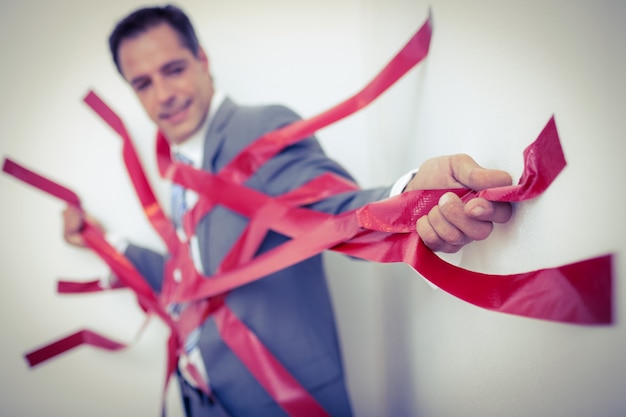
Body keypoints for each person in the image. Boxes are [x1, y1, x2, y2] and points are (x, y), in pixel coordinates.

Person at [63, 5, 512, 417]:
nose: (162, 95)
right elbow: (194, 282)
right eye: (143, 83)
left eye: (173, 70)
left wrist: (410, 199)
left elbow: (330, 212)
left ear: (202, 60)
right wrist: (107, 243)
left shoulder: (258, 131)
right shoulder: (181, 169)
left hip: (281, 401)